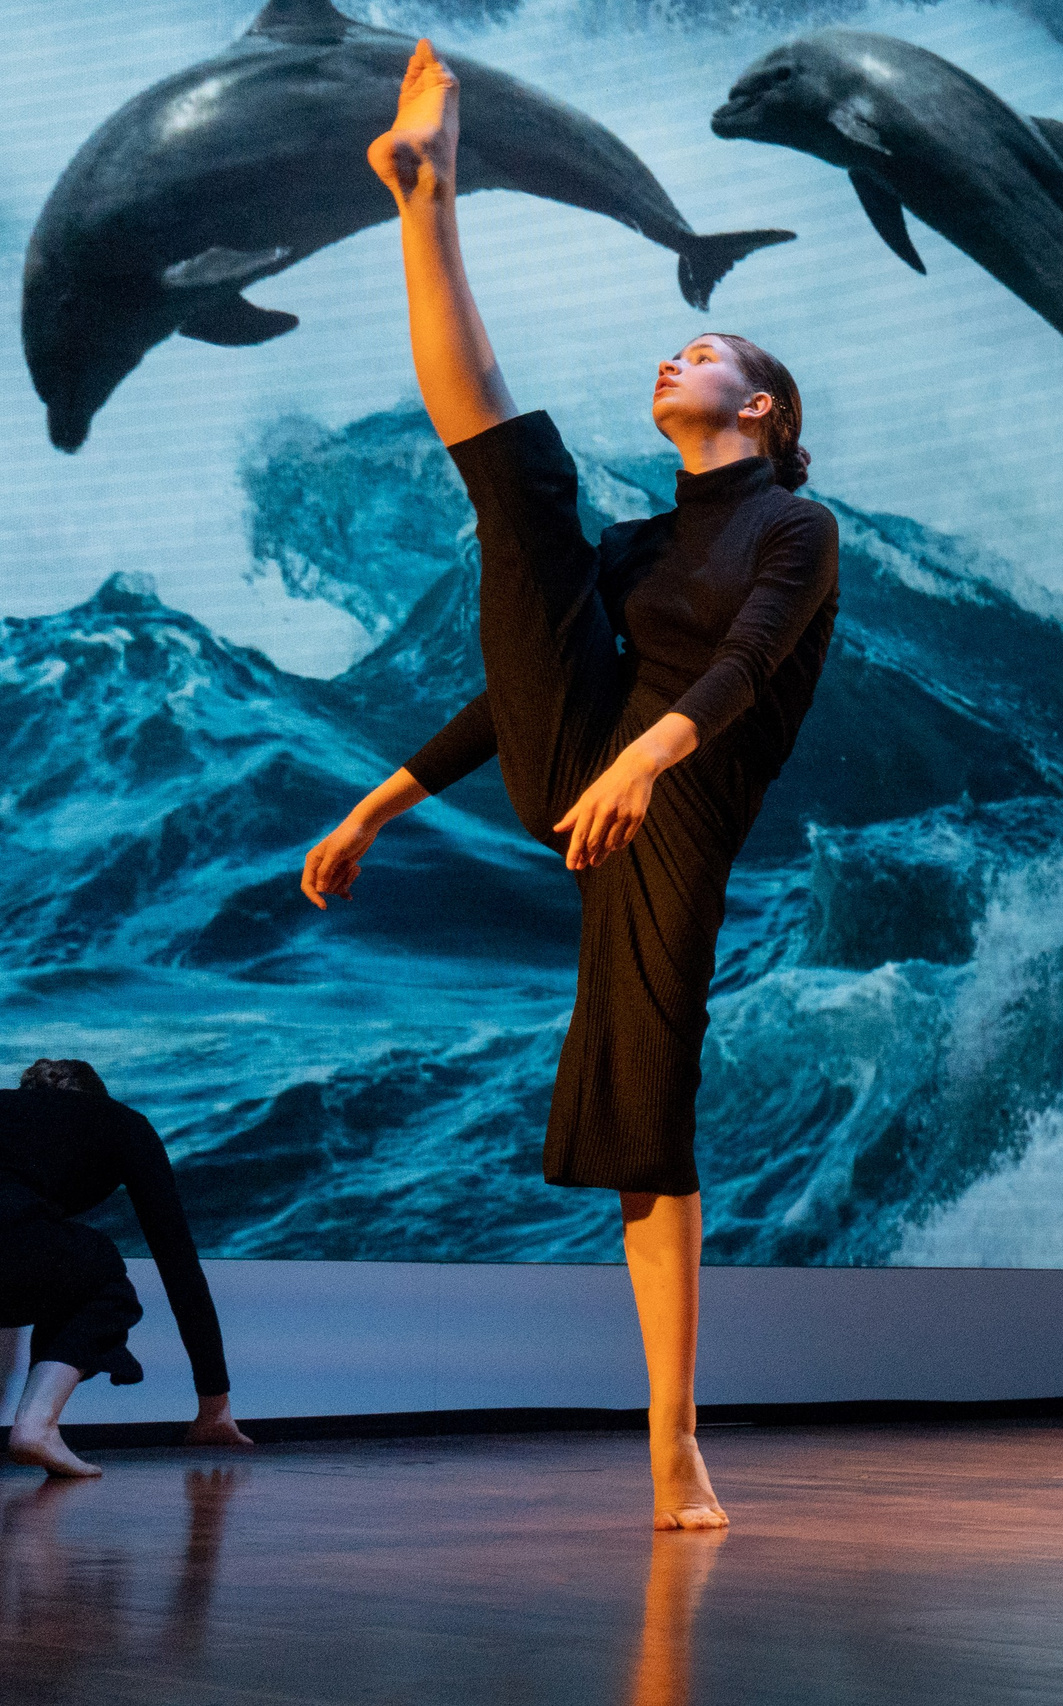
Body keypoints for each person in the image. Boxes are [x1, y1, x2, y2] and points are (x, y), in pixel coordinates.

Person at [298, 42, 839, 1529]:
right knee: (520, 490)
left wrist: (647, 764)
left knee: (646, 1127)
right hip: (589, 770)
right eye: (678, 350)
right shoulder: (640, 546)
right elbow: (519, 689)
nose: (678, 359)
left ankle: (674, 1442)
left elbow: (745, 671)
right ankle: (425, 200)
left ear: (763, 409)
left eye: (707, 353)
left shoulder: (797, 529)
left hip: (675, 812)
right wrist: (375, 805)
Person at [3, 1060, 252, 1478]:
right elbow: (179, 1268)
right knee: (100, 1273)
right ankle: (36, 1426)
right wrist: (215, 1407)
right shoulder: (121, 1123)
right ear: (96, 1098)